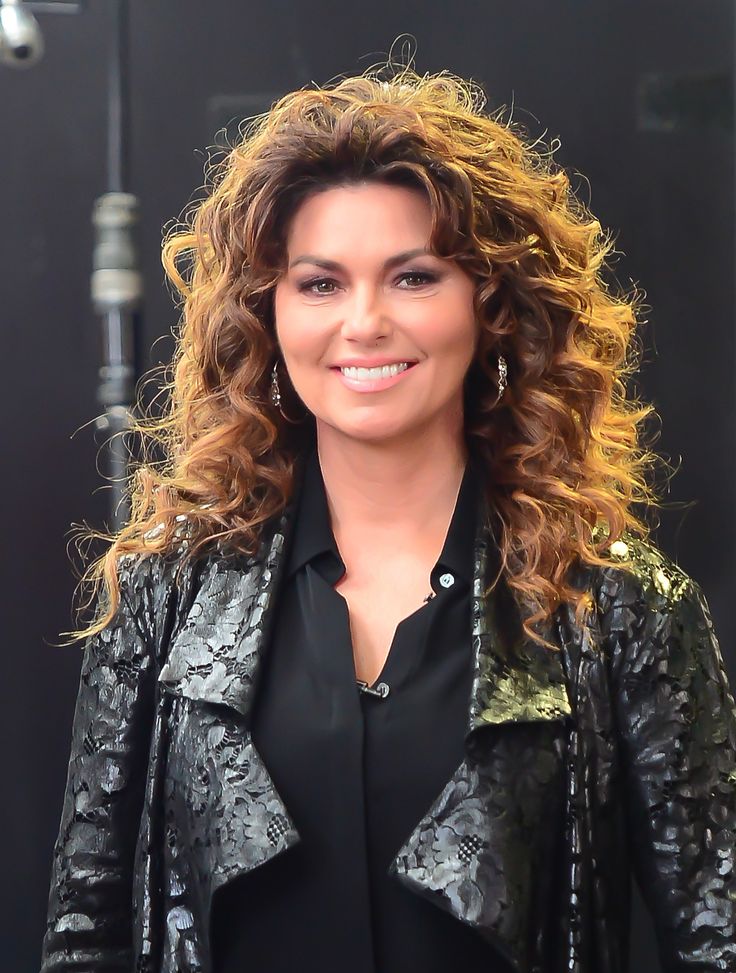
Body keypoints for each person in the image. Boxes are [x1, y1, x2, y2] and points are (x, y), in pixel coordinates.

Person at [39, 66, 736, 973]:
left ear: (490, 306)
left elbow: (718, 931)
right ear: (268, 314)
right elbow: (82, 932)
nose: (363, 323)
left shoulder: (618, 606)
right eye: (320, 284)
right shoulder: (166, 590)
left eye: (413, 276)